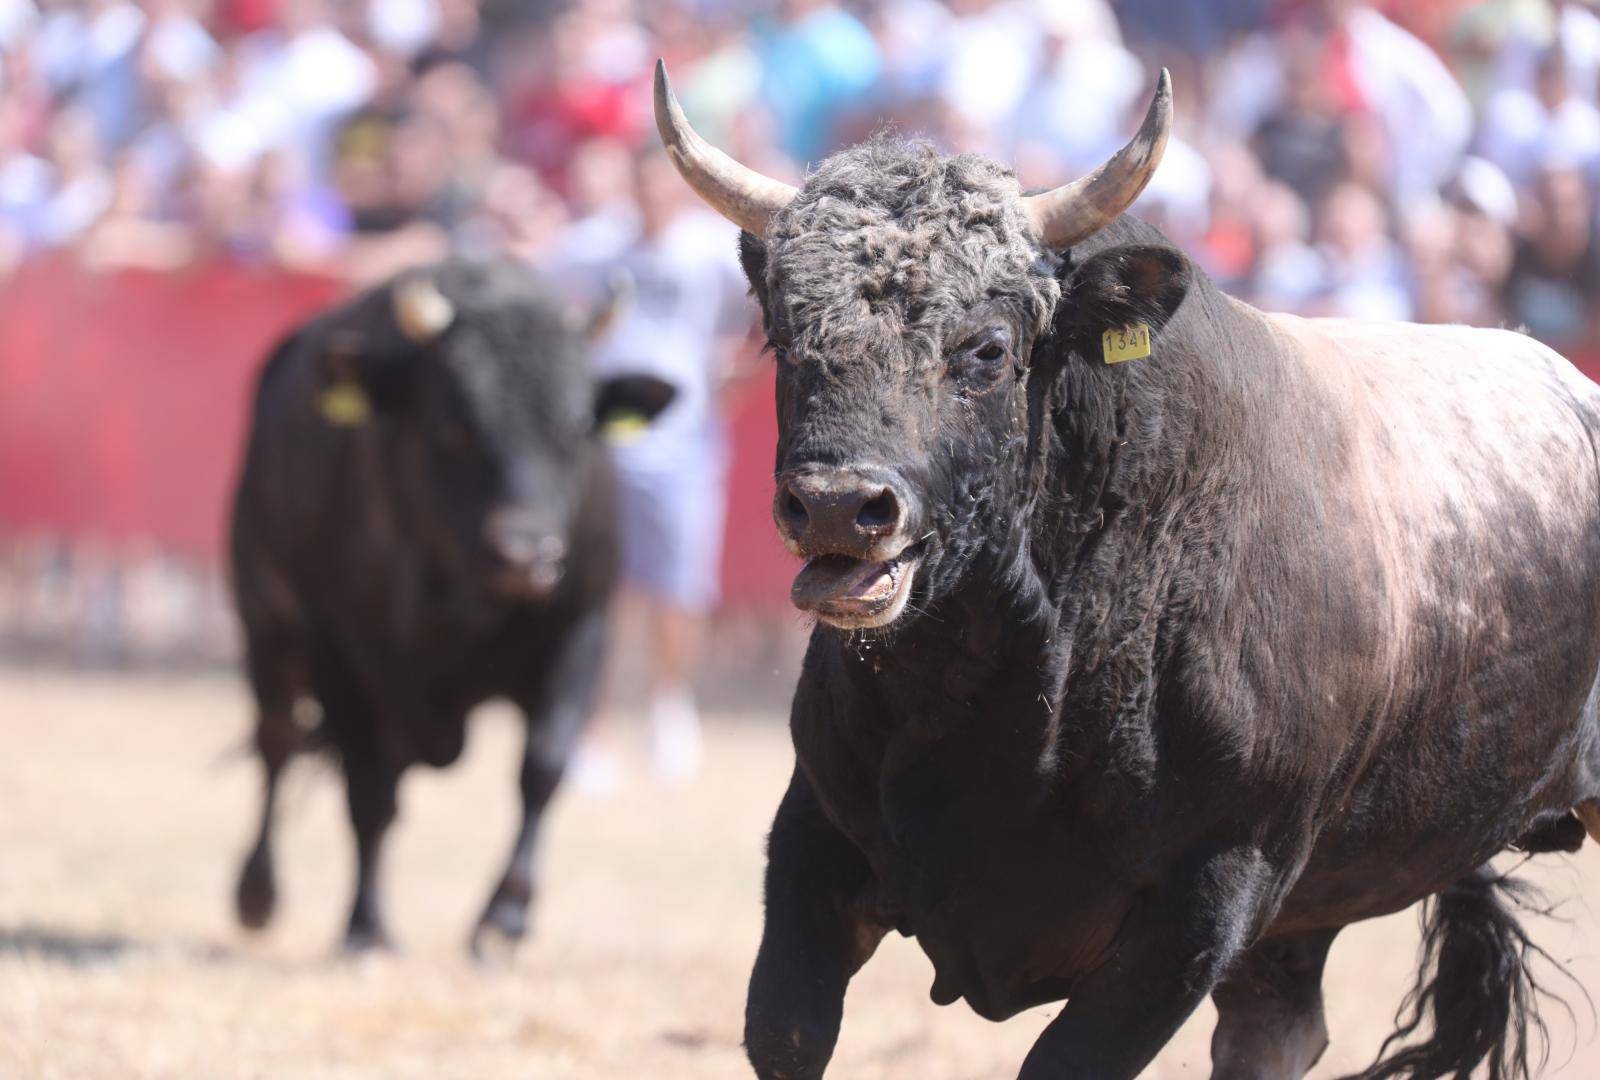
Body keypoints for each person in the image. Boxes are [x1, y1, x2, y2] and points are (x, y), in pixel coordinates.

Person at [560, 146, 756, 787]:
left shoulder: (710, 249)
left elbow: (768, 305)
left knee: (677, 587)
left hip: (683, 442)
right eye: (639, 183)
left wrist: (738, 375)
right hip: (604, 442)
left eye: (660, 184)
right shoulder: (595, 248)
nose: (649, 195)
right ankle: (595, 725)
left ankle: (670, 705)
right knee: (603, 589)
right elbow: (542, 288)